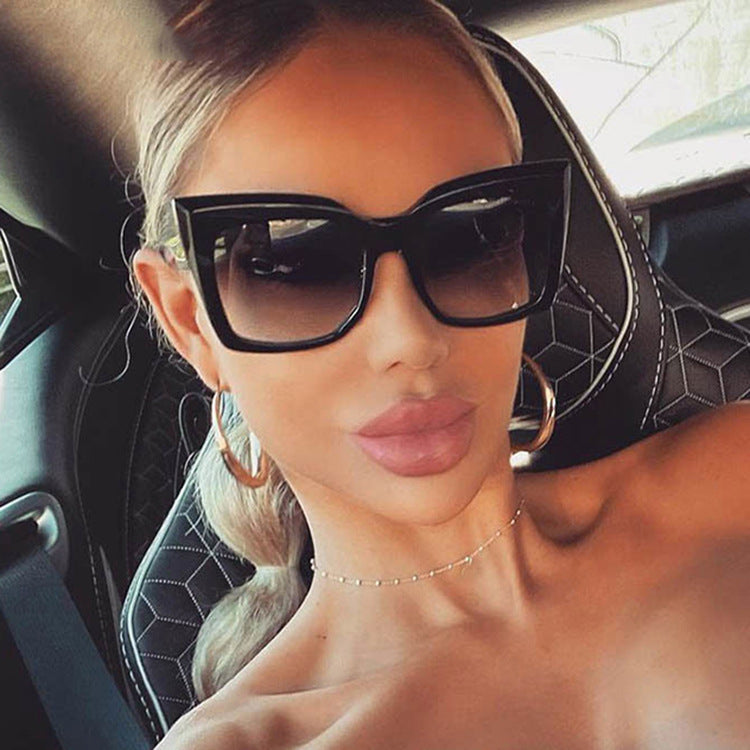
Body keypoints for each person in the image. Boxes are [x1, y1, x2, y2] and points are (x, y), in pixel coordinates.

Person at [129, 1, 750, 747]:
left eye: (471, 236)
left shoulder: (731, 475)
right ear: (190, 321)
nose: (411, 340)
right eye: (296, 263)